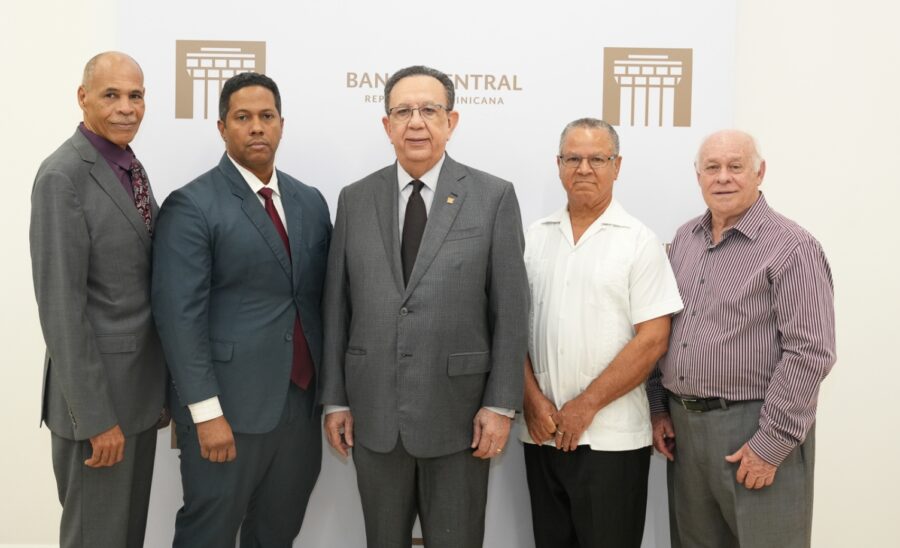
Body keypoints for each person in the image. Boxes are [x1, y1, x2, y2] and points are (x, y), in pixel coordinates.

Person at [320, 65, 529, 548]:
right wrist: (336, 399)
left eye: (429, 110)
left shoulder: (493, 196)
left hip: (461, 419)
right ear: (387, 125)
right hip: (373, 415)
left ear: (451, 121)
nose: (416, 122)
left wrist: (500, 404)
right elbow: (337, 306)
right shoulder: (355, 199)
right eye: (403, 111)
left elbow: (511, 311)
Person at [151, 72, 331, 547]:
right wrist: (206, 412)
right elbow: (178, 318)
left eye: (266, 117)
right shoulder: (192, 205)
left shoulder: (309, 201)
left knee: (277, 533)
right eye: (243, 117)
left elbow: (319, 302)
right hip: (227, 410)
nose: (256, 127)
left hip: (299, 407)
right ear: (222, 127)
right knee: (207, 534)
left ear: (281, 125)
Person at [648, 130, 836, 548]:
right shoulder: (684, 240)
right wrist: (660, 408)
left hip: (754, 428)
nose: (723, 178)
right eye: (712, 168)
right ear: (698, 175)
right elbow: (663, 329)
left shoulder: (792, 247)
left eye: (736, 167)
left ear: (759, 173)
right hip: (685, 432)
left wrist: (771, 445)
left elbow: (811, 352)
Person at [520, 118, 683, 547]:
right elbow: (509, 329)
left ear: (617, 165)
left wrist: (586, 405)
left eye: (597, 158)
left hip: (612, 441)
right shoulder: (534, 238)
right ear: (558, 165)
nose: (584, 168)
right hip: (542, 434)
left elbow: (653, 339)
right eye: (573, 158)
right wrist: (531, 401)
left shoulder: (639, 241)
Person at [29, 51, 167, 548]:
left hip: (137, 399)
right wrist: (95, 418)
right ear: (83, 97)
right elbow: (62, 311)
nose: (126, 107)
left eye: (136, 96)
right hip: (97, 412)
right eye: (111, 95)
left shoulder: (127, 164)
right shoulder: (61, 175)